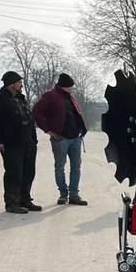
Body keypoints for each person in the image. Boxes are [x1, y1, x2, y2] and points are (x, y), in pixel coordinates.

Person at [0, 71, 41, 214]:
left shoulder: (21, 99)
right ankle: (12, 203)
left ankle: (25, 200)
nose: (21, 85)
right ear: (11, 84)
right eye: (19, 82)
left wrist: (34, 140)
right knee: (14, 173)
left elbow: (29, 120)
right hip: (11, 143)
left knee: (29, 171)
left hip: (28, 142)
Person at [33, 73, 88, 205]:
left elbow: (76, 113)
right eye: (71, 87)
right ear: (64, 86)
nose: (73, 89)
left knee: (76, 167)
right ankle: (63, 194)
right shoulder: (50, 96)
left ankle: (74, 195)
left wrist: (82, 130)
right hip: (60, 138)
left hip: (76, 138)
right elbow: (36, 112)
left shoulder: (71, 96)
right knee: (60, 167)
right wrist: (48, 130)